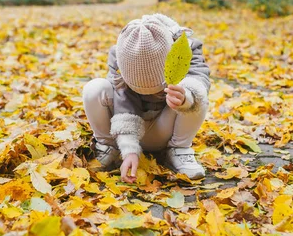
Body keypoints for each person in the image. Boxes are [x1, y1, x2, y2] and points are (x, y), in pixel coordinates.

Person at [82, 14, 210, 183]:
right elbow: (123, 101)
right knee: (94, 88)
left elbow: (200, 80)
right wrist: (129, 150)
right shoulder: (122, 53)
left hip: (166, 127)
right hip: (125, 130)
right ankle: (107, 147)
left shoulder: (186, 48)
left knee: (196, 92)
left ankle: (180, 150)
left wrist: (185, 98)